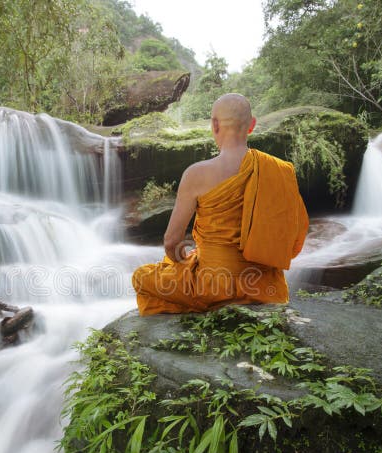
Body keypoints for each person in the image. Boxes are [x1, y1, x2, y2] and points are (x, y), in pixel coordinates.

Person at [131, 93, 308, 316]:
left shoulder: (196, 174)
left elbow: (172, 242)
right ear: (251, 125)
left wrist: (186, 261)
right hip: (265, 288)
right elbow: (292, 240)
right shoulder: (280, 170)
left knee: (141, 276)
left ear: (215, 125)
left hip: (213, 287)